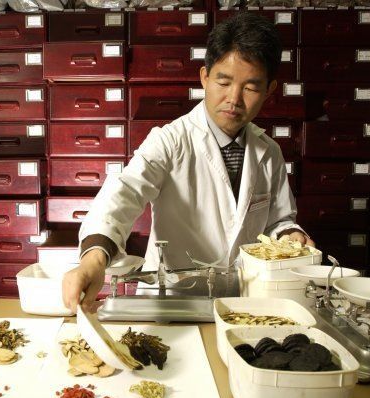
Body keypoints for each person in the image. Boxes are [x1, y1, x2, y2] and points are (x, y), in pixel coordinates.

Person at [62, 12, 315, 313]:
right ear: (205, 77)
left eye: (250, 87)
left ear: (269, 90)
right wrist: (93, 259)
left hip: (240, 302)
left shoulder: (269, 152)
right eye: (223, 81)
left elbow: (278, 221)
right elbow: (125, 192)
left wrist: (290, 236)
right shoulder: (170, 140)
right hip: (171, 300)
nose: (234, 98)